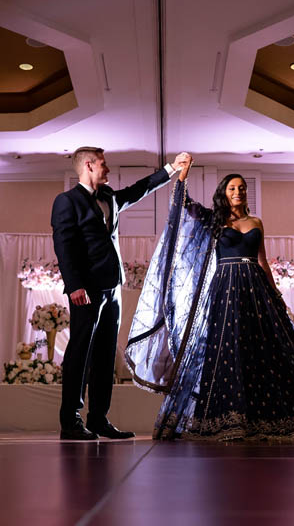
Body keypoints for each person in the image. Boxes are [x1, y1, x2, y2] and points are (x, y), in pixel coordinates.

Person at [126, 157, 294, 441]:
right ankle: (224, 418)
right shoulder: (214, 221)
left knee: (260, 350)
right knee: (225, 349)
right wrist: (182, 176)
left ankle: (265, 419)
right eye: (233, 188)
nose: (238, 192)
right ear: (224, 192)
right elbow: (183, 205)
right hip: (224, 290)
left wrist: (276, 295)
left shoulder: (256, 222)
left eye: (242, 188)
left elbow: (262, 262)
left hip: (255, 291)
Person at [51, 147, 190, 440]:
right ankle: (70, 421)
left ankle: (99, 418)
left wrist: (171, 169)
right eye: (103, 164)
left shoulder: (109, 197)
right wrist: (74, 285)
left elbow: (140, 189)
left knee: (104, 355)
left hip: (112, 287)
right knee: (80, 353)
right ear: (88, 165)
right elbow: (64, 246)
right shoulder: (66, 202)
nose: (108, 169)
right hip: (85, 290)